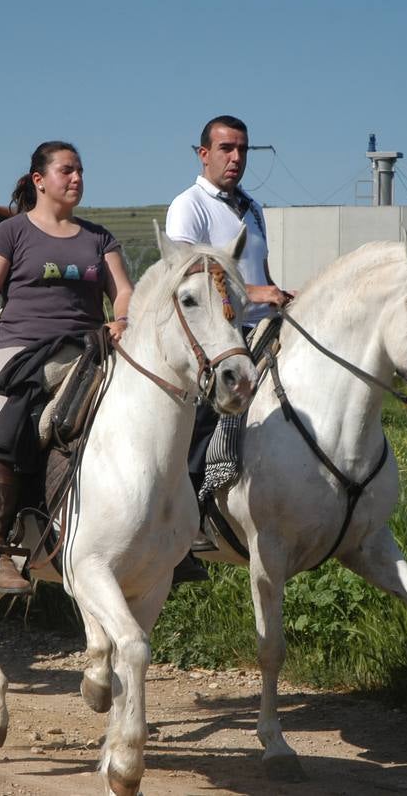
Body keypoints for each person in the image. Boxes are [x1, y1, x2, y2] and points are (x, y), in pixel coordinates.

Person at [0, 141, 133, 593]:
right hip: (23, 353)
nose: (76, 179)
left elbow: (123, 290)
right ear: (38, 180)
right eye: (66, 171)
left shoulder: (99, 237)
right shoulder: (11, 233)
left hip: (87, 351)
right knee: (15, 424)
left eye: (81, 171)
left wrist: (123, 319)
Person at [164, 115, 292, 583]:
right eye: (225, 149)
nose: (236, 158)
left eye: (242, 149)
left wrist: (280, 295)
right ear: (204, 154)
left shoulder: (252, 208)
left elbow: (262, 274)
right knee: (202, 416)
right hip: (214, 337)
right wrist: (256, 294)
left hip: (259, 330)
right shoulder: (189, 205)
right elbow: (183, 274)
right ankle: (187, 522)